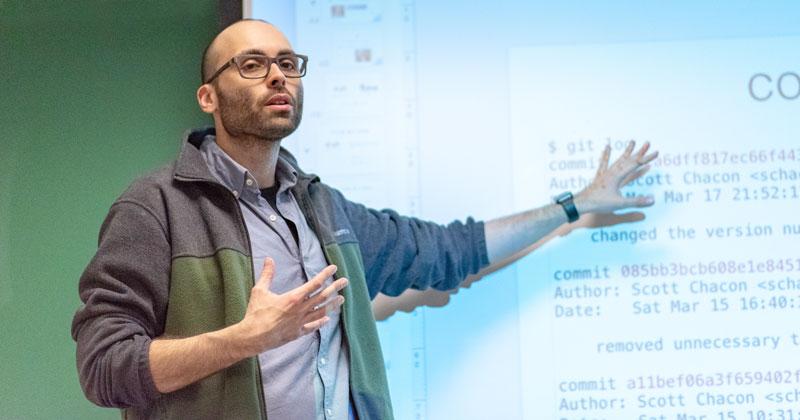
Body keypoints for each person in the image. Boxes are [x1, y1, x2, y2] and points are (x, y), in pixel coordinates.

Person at [71, 19, 658, 420]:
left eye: (287, 63)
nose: (278, 76)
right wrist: (243, 340)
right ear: (208, 97)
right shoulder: (155, 207)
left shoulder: (324, 210)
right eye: (252, 65)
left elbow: (448, 250)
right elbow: (103, 369)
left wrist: (575, 204)